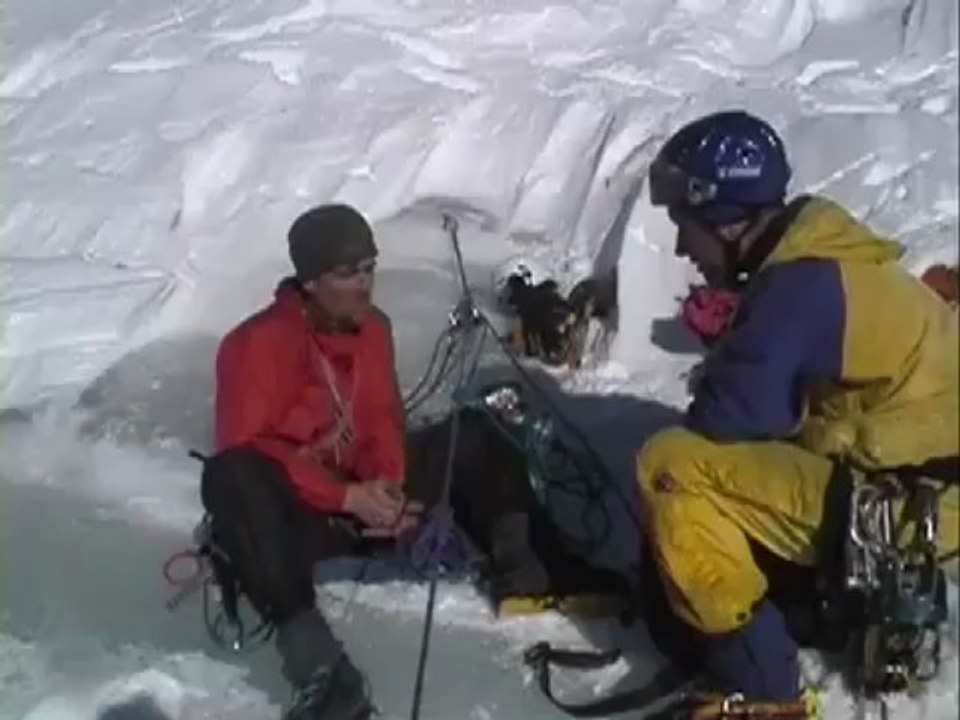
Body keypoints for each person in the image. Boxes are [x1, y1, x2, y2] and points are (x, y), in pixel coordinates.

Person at [201, 203, 627, 719]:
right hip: (304, 514)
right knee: (231, 477)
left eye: (368, 269)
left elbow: (382, 417)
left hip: (368, 502)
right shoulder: (254, 344)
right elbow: (248, 447)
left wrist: (388, 484)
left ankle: (530, 564)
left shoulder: (372, 329)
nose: (364, 284)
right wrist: (346, 497)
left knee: (471, 430)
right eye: (346, 273)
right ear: (310, 281)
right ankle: (320, 669)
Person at [635, 110, 959, 705]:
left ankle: (762, 687)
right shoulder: (821, 261)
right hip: (916, 483)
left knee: (670, 467)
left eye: (687, 225)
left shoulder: (798, 287)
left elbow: (725, 424)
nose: (683, 245)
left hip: (918, 504)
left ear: (728, 222)